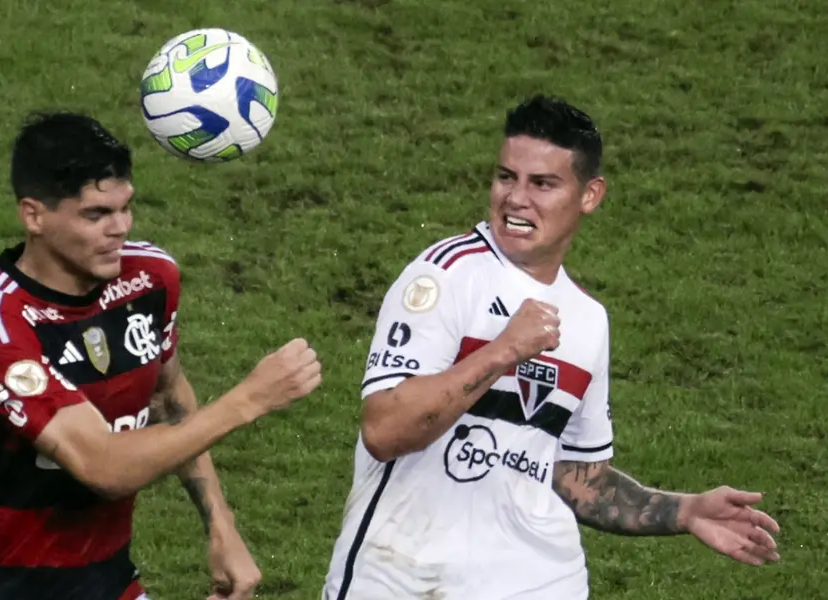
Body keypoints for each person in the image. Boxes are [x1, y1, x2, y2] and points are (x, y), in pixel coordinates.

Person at [320, 95, 781, 599]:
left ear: (590, 194)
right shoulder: (447, 275)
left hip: (540, 582)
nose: (516, 198)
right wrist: (502, 352)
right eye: (506, 177)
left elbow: (575, 475)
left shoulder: (586, 319)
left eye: (542, 183)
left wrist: (682, 510)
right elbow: (385, 430)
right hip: (404, 581)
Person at [0, 111, 322, 600]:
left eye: (125, 208)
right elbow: (103, 468)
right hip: (5, 586)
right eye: (95, 214)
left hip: (110, 579)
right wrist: (248, 400)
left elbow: (168, 394)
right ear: (33, 215)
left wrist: (221, 524)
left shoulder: (150, 277)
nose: (119, 229)